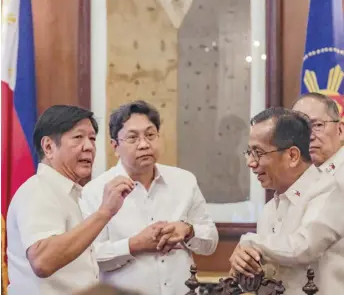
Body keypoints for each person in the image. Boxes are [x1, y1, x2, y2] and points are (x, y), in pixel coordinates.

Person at [80, 100, 219, 295]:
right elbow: (91, 257)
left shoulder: (184, 181)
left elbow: (210, 242)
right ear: (115, 146)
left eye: (150, 135)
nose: (144, 144)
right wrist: (134, 244)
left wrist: (188, 230)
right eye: (133, 138)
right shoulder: (95, 191)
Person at [7, 105, 132, 295]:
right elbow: (43, 260)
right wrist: (104, 212)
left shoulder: (72, 193)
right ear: (48, 147)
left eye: (92, 139)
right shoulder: (38, 190)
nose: (89, 147)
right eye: (78, 137)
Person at [228, 107, 340, 294]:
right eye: (249, 152)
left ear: (293, 156)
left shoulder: (330, 190)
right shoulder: (269, 209)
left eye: (258, 152)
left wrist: (251, 243)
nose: (250, 162)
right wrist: (244, 262)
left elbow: (303, 248)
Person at [292, 93, 344, 292]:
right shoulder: (301, 181)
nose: (309, 135)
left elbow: (304, 245)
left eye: (318, 125)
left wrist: (253, 243)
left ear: (340, 130)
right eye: (301, 129)